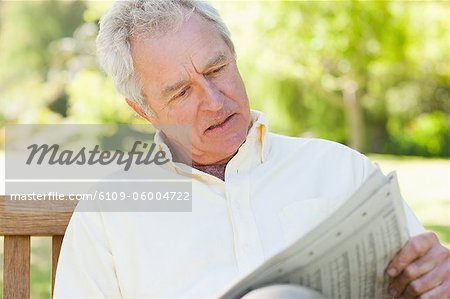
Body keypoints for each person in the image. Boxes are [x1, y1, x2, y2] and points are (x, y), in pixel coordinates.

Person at [54, 1, 450, 298]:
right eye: (181, 91)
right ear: (143, 110)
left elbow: (427, 277)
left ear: (234, 58)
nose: (213, 100)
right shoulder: (110, 212)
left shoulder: (339, 169)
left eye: (216, 69)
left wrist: (437, 278)